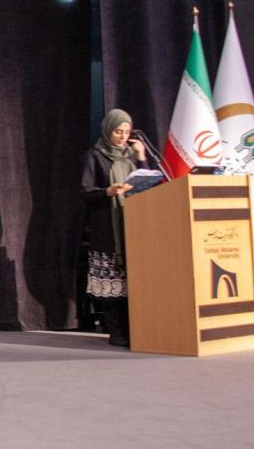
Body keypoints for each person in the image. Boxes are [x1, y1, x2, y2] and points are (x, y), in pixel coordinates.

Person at [80, 108, 148, 347]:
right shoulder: (94, 156)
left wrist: (141, 158)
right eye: (118, 131)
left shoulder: (131, 156)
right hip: (107, 228)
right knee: (114, 282)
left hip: (134, 224)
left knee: (134, 280)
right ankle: (116, 331)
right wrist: (107, 192)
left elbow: (148, 182)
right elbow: (85, 191)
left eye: (127, 132)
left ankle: (138, 327)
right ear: (108, 130)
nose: (122, 136)